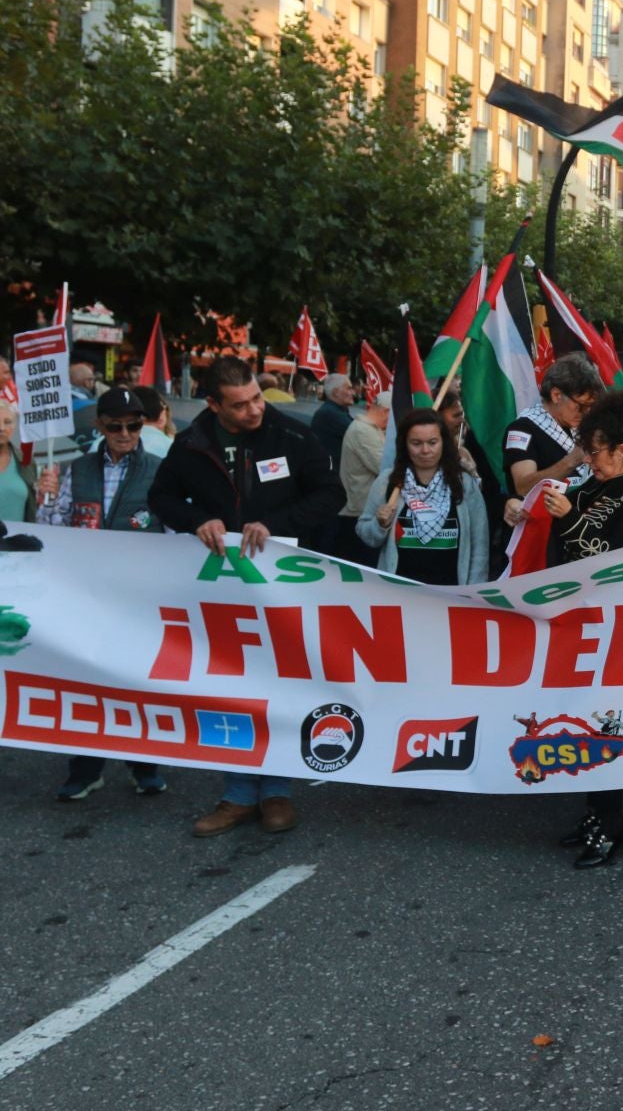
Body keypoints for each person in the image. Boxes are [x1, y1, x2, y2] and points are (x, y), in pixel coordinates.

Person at [150, 355, 343, 838]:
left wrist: (275, 527)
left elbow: (330, 495)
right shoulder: (191, 443)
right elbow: (160, 497)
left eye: (256, 397)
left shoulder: (294, 435)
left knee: (280, 685)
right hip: (222, 587)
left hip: (284, 585)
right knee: (229, 688)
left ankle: (277, 790)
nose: (254, 410)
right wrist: (197, 520)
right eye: (239, 405)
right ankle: (236, 794)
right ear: (213, 404)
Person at [540, 390, 623, 868]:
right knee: (579, 717)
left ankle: (612, 823)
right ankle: (595, 812)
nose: (588, 458)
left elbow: (613, 559)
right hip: (579, 620)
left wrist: (569, 519)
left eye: (596, 449)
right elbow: (565, 555)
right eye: (586, 448)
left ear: (621, 449)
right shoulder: (589, 488)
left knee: (605, 721)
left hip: (618, 625)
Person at [36, 387, 169, 801]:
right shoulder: (76, 470)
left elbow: (174, 533)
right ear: (100, 427)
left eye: (134, 425)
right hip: (85, 596)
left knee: (135, 681)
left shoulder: (160, 469)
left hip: (136, 597)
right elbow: (51, 527)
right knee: (83, 682)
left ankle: (143, 763)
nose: (126, 433)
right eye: (116, 426)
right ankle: (85, 768)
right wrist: (46, 495)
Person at [355, 408, 489, 585]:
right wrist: (380, 524)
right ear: (405, 444)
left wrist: (473, 592)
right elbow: (366, 534)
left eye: (432, 442)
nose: (425, 450)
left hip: (451, 595)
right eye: (416, 443)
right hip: (399, 593)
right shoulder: (388, 482)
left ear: (443, 442)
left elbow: (479, 544)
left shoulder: (463, 484)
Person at [503, 353, 604, 498]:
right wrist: (572, 460)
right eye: (581, 406)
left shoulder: (583, 424)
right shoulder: (522, 430)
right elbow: (523, 487)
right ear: (556, 395)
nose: (586, 412)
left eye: (590, 406)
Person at [333, 389, 388, 564]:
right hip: (357, 512)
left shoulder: (372, 429)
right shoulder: (363, 430)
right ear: (386, 412)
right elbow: (383, 467)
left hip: (362, 509)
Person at [0, 401, 37, 523]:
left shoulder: (26, 461)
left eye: (7, 422)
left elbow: (34, 508)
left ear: (15, 426)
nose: (1, 428)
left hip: (16, 539)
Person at [310, 373, 355, 470]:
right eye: (349, 388)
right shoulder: (329, 413)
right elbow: (360, 433)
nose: (353, 393)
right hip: (332, 475)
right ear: (336, 393)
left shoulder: (336, 410)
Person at [128, 384, 175, 455]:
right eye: (160, 407)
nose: (162, 413)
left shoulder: (173, 444)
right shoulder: (172, 447)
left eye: (164, 407)